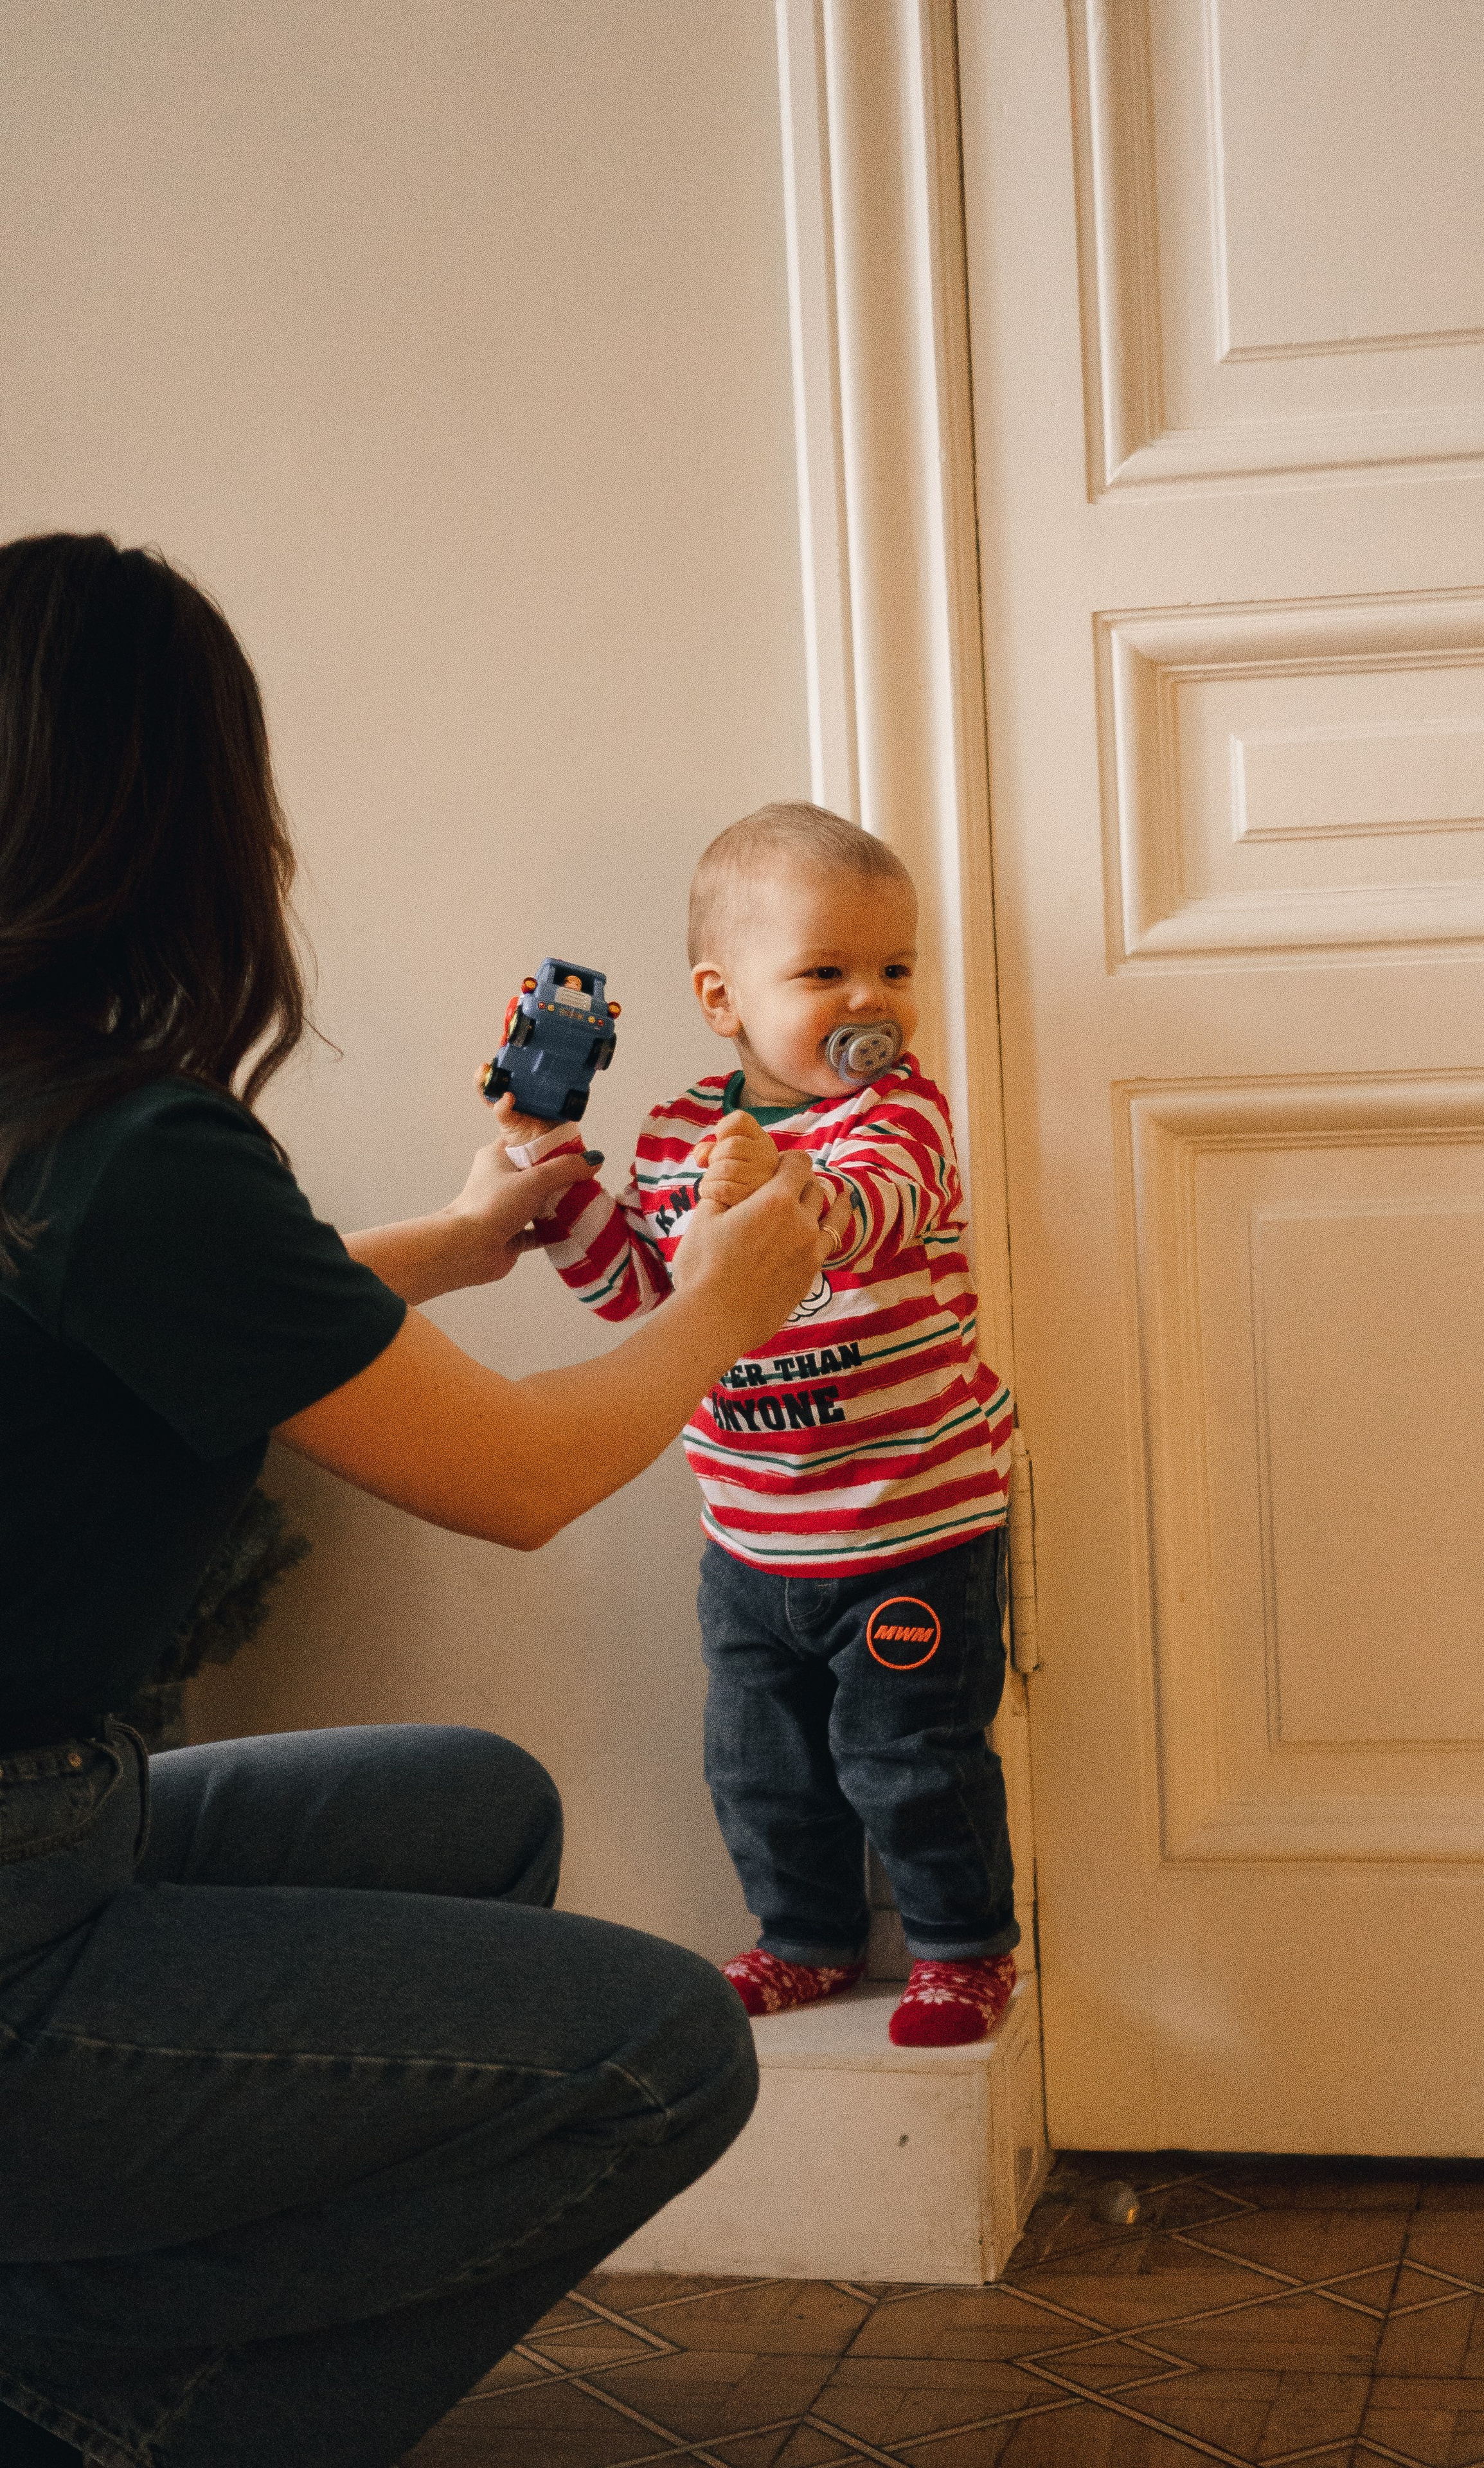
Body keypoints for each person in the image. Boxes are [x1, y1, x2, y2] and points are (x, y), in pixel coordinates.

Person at [0, 535, 831, 2468]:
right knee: (661, 2055)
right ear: (179, 820)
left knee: (468, 1807)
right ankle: (88, 2404)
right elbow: (523, 1478)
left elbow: (151, 1321)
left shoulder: (57, 1124)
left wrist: (460, 1244)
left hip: (55, 1817)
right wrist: (725, 1303)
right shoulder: (125, 1138)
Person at [494, 803, 1019, 2053]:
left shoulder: (900, 1113)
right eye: (825, 973)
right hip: (749, 1534)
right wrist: (551, 1173)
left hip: (909, 1522)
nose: (871, 1001)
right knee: (759, 1763)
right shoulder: (676, 1132)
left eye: (895, 969)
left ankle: (962, 1949)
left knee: (912, 1757)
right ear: (721, 999)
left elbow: (871, 1213)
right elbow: (641, 1293)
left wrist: (784, 1188)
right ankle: (803, 1937)